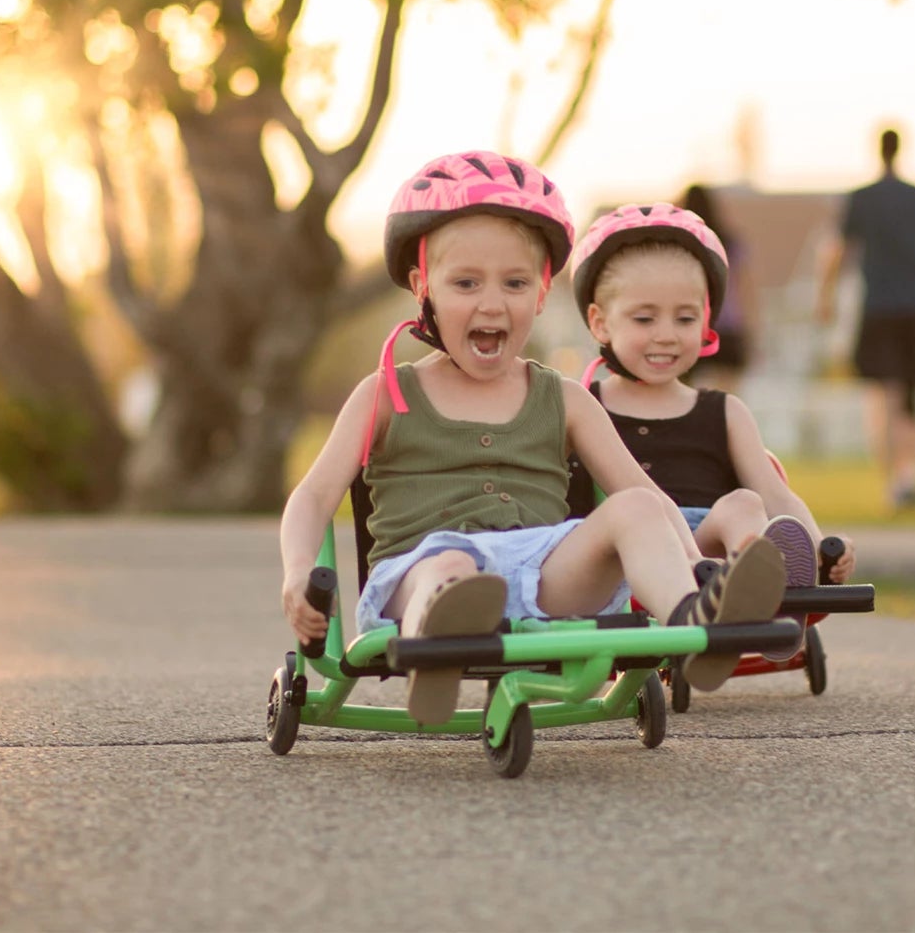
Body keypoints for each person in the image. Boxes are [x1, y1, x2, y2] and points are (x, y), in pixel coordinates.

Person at [279, 150, 788, 725]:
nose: (492, 302)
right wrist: (298, 572)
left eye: (515, 283)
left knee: (638, 505)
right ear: (424, 288)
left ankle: (696, 625)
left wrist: (700, 568)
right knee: (450, 565)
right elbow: (313, 496)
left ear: (542, 294)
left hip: (543, 575)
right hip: (421, 572)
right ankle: (436, 655)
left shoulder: (564, 398)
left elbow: (647, 498)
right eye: (466, 282)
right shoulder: (386, 393)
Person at [570, 202, 856, 662]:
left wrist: (822, 545)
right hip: (627, 554)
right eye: (645, 319)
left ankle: (764, 589)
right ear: (601, 322)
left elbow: (774, 493)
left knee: (745, 503)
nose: (667, 335)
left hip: (710, 548)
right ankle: (745, 597)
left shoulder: (724, 411)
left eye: (684, 319)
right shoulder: (585, 406)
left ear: (706, 323)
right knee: (647, 516)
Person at [815, 127, 915, 510]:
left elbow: (839, 250)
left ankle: (892, 484)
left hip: (877, 308)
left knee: (881, 397)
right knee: (912, 397)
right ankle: (910, 475)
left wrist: (825, 297)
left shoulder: (861, 199)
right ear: (902, 150)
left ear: (877, 151)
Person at [679, 183, 760, 391]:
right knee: (728, 398)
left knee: (684, 397)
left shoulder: (681, 245)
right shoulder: (730, 242)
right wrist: (751, 330)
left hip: (691, 325)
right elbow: (745, 290)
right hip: (728, 326)